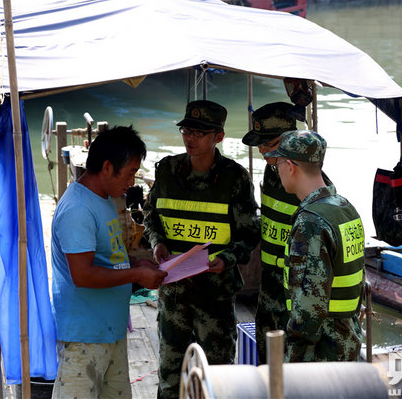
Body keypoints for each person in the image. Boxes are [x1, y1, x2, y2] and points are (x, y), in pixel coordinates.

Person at [143, 100, 261, 399]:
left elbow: (248, 233)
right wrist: (157, 241)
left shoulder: (235, 178)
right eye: (186, 130)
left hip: (215, 293)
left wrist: (226, 259)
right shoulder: (167, 170)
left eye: (199, 132)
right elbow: (150, 215)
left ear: (218, 136)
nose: (190, 138)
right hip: (173, 292)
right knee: (170, 373)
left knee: (218, 376)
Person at [51, 125, 167, 399]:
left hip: (110, 329)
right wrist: (135, 276)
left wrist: (135, 264)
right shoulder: (78, 210)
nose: (132, 182)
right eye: (129, 173)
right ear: (107, 167)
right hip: (84, 336)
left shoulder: (103, 198)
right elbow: (83, 275)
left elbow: (108, 255)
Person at [264, 130, 365, 362]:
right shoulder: (345, 208)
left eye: (277, 165)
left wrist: (295, 354)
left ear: (290, 167)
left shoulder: (310, 222)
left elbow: (309, 305)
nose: (278, 171)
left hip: (320, 350)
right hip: (347, 337)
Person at [241, 102, 302, 364]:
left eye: (269, 143)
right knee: (267, 359)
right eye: (260, 144)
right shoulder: (272, 169)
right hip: (269, 286)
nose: (262, 150)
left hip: (293, 289)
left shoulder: (307, 180)